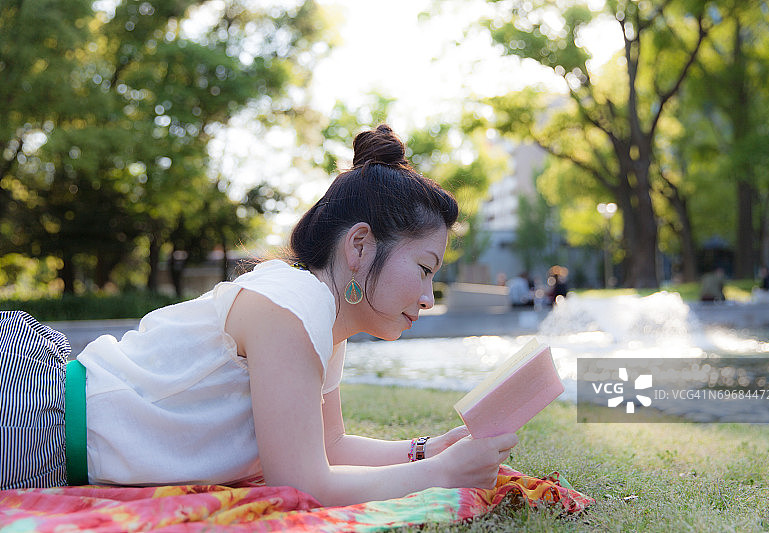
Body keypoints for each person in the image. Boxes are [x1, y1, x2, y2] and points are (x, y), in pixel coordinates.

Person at [0, 125, 518, 505]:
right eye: (425, 268)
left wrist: (424, 451)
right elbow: (302, 483)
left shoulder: (321, 322)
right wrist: (444, 473)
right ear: (360, 245)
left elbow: (329, 447)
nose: (429, 297)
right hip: (29, 411)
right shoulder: (295, 306)